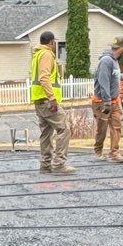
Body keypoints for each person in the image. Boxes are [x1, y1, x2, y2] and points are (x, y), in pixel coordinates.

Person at [29, 29, 72, 174]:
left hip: (39, 99)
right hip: (47, 101)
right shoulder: (47, 54)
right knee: (64, 129)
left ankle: (45, 164)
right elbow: (44, 77)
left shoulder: (37, 54)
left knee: (46, 133)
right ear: (52, 42)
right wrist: (52, 98)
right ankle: (59, 163)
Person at [91, 37, 123, 159]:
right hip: (102, 102)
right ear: (122, 49)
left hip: (114, 101)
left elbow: (113, 77)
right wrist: (107, 102)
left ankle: (114, 153)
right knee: (102, 128)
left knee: (116, 126)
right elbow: (103, 81)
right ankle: (98, 151)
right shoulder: (106, 61)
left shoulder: (115, 61)